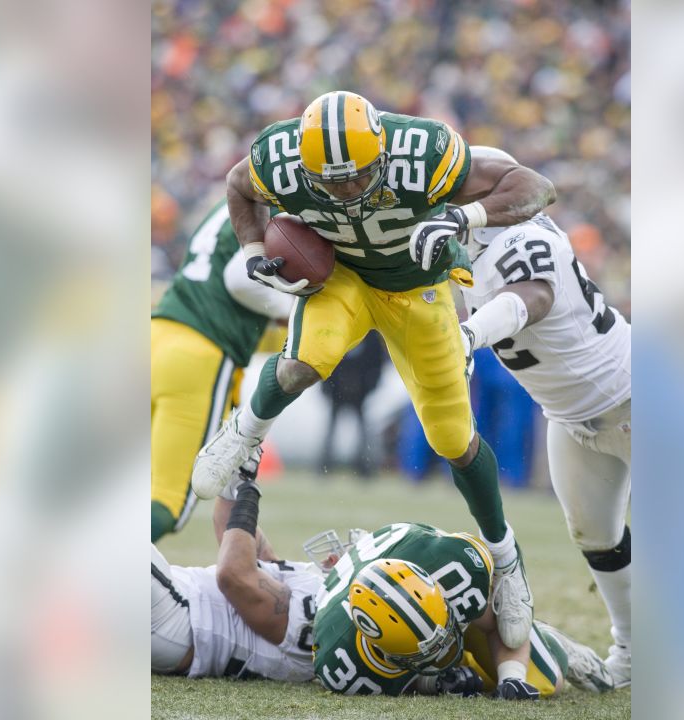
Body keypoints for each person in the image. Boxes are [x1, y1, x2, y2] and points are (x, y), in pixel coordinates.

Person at [191, 90, 558, 651]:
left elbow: (534, 185)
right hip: (341, 277)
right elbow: (241, 186)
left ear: (382, 150)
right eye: (329, 180)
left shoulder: (423, 150)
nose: (344, 190)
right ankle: (243, 434)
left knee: (453, 439)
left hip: (416, 284)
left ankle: (507, 562)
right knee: (304, 362)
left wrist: (466, 215)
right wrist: (250, 257)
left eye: (356, 176)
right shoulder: (280, 157)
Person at [456, 186, 633, 688]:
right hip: (570, 418)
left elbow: (529, 297)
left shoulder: (523, 242)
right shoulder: (481, 254)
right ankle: (633, 650)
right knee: (596, 537)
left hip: (632, 397)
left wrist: (469, 335)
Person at [310, 521, 618, 699]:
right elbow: (398, 682)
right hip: (365, 585)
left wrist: (512, 678)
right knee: (462, 676)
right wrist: (435, 682)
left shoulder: (452, 575)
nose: (446, 647)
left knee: (544, 682)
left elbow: (501, 615)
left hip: (416, 557)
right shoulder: (340, 664)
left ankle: (552, 640)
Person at [151, 199, 293, 541]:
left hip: (157, 335)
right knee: (168, 502)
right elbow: (240, 279)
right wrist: (294, 307)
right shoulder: (284, 204)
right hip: (198, 353)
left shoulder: (236, 198)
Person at [151, 456, 321, 680]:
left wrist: (248, 491)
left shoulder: (317, 614)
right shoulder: (314, 597)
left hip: (180, 619)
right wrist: (237, 472)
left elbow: (233, 575)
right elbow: (233, 535)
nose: (337, 555)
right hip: (175, 615)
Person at [317, 333, 386, 477]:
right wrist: (331, 387)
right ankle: (325, 465)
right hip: (338, 390)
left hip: (359, 391)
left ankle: (363, 466)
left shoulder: (369, 335)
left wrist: (366, 386)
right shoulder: (348, 332)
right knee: (336, 429)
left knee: (362, 431)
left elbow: (377, 362)